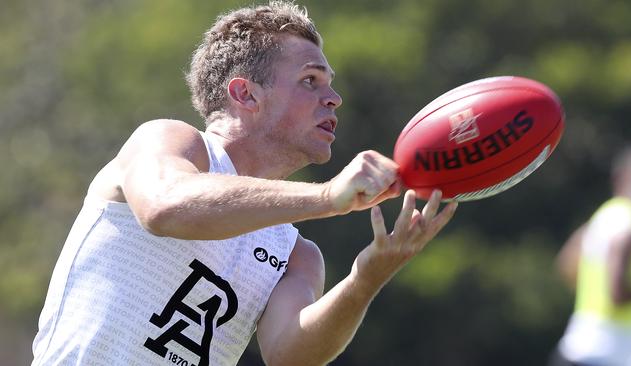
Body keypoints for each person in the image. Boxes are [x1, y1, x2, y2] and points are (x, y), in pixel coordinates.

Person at [31, 2, 457, 365]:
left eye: (330, 85)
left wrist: (366, 279)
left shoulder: (297, 256)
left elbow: (291, 356)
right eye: (311, 80)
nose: (333, 98)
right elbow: (165, 207)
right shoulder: (169, 140)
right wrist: (329, 197)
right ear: (246, 95)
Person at [552, 141, 631, 366]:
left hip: (581, 344)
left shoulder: (605, 214)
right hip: (607, 353)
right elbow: (618, 294)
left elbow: (567, 263)